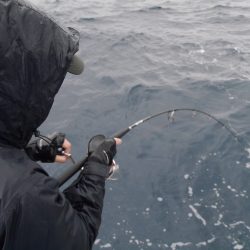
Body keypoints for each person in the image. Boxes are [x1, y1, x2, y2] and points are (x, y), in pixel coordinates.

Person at [0, 0, 121, 249]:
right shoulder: (24, 195)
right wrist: (96, 173)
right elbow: (74, 240)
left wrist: (26, 150)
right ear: (24, 81)